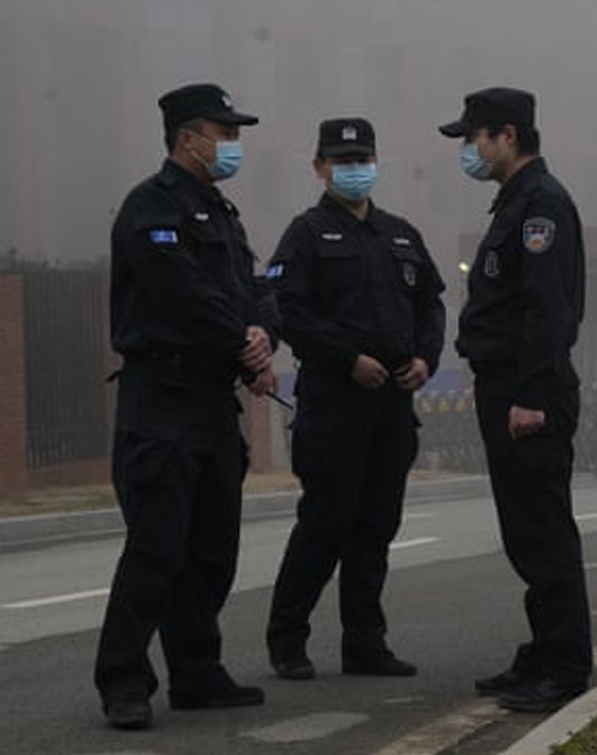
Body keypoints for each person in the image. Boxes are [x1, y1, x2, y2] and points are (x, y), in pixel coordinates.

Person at [96, 83, 278, 730]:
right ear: (186, 137)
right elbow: (183, 294)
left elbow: (254, 288)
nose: (230, 144)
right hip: (162, 398)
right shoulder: (151, 208)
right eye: (222, 132)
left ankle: (198, 671)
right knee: (157, 546)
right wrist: (244, 343)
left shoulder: (220, 211)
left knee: (211, 547)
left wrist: (263, 334)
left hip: (210, 399)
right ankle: (123, 678)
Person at [265, 117, 446, 681]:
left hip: (392, 403)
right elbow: (287, 310)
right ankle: (288, 641)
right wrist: (347, 359)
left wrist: (425, 359)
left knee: (375, 528)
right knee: (324, 524)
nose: (355, 169)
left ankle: (365, 643)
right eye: (342, 162)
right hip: (335, 403)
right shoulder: (307, 234)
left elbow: (431, 305)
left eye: (363, 159)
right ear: (320, 168)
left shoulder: (400, 233)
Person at [438, 87, 592, 712]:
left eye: (474, 138)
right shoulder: (515, 203)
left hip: (531, 391)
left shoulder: (541, 208)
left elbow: (548, 310)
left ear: (507, 135)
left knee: (542, 532)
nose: (469, 151)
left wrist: (528, 396)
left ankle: (564, 664)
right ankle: (544, 650)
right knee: (525, 531)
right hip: (507, 384)